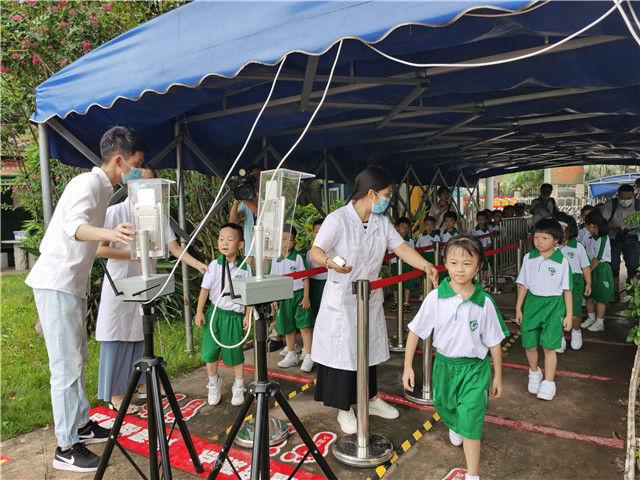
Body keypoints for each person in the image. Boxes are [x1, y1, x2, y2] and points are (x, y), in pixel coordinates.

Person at [25, 126, 145, 472]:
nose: (136, 171)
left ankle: (80, 424)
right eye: (135, 164)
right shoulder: (87, 184)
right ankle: (65, 447)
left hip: (71, 285)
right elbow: (73, 228)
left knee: (76, 358)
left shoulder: (105, 189)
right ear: (119, 160)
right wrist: (110, 233)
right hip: (57, 283)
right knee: (64, 366)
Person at [309, 165, 438, 434]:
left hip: (370, 295)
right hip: (342, 298)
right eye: (387, 194)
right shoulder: (338, 219)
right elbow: (315, 251)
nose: (388, 198)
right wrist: (330, 262)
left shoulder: (380, 222)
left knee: (368, 349)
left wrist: (425, 265)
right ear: (371, 193)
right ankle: (345, 408)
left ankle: (371, 398)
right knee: (344, 354)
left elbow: (401, 247)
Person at [95, 167, 207, 413]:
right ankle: (115, 395)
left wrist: (199, 265)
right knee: (117, 336)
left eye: (153, 182)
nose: (149, 187)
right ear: (131, 184)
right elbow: (100, 250)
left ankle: (141, 385)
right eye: (144, 182)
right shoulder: (116, 212)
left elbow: (174, 248)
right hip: (121, 281)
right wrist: (135, 254)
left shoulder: (159, 213)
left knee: (139, 334)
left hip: (146, 282)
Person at [403, 235, 506, 480]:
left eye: (467, 263)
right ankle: (455, 424)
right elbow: (416, 331)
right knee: (445, 407)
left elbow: (494, 343)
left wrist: (498, 377)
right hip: (445, 367)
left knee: (471, 421)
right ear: (445, 264)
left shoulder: (485, 303)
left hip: (474, 370)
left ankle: (472, 474)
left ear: (479, 266)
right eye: (454, 262)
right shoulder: (436, 297)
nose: (460, 269)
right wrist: (407, 366)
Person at [195, 223, 252, 406]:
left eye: (230, 239)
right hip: (215, 313)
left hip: (234, 316)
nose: (224, 243)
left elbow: (249, 294)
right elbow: (205, 290)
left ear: (240, 244)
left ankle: (239, 385)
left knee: (235, 353)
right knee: (210, 351)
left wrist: (247, 315)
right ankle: (213, 382)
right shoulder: (214, 265)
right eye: (221, 239)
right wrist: (199, 312)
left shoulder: (245, 268)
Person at [515, 219, 572, 401]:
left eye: (544, 237)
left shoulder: (562, 261)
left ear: (556, 240)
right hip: (532, 303)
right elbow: (523, 284)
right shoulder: (528, 258)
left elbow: (567, 290)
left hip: (553, 306)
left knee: (549, 346)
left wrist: (569, 315)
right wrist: (518, 307)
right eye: (536, 237)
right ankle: (534, 372)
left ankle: (548, 382)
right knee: (529, 343)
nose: (539, 241)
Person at [270, 225, 314, 372]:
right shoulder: (275, 260)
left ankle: (308, 354)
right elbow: (274, 280)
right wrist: (274, 298)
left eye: (290, 240)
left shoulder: (299, 258)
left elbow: (306, 279)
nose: (286, 243)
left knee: (304, 325)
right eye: (283, 239)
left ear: (294, 241)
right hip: (283, 296)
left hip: (299, 295)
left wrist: (306, 297)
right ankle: (291, 353)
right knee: (288, 326)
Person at [555, 213, 591, 352]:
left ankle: (576, 332)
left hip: (575, 281)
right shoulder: (553, 246)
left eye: (562, 229)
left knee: (575, 312)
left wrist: (588, 283)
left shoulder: (578, 247)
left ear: (570, 230)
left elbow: (585, 267)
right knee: (558, 312)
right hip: (556, 282)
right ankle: (561, 337)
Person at [599, 184, 640, 292]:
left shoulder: (638, 205)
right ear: (618, 196)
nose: (626, 201)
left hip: (632, 238)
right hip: (614, 238)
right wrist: (616, 227)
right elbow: (602, 223)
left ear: (633, 196)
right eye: (623, 198)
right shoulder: (610, 204)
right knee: (613, 266)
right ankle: (614, 292)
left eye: (629, 198)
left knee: (633, 266)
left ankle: (631, 292)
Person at [581, 211, 615, 333]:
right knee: (588, 295)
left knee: (601, 297)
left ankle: (600, 322)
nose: (586, 227)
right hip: (590, 267)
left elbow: (596, 259)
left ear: (594, 225)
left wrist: (586, 273)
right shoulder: (590, 237)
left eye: (587, 225)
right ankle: (591, 318)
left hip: (600, 268)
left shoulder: (603, 238)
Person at [389, 217, 417, 312]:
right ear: (396, 228)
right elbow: (389, 252)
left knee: (408, 283)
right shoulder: (392, 239)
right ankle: (396, 301)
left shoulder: (410, 241)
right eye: (402, 227)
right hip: (395, 264)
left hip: (407, 264)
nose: (404, 229)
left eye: (406, 227)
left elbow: (413, 252)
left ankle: (406, 302)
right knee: (395, 283)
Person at [307, 218, 327, 323]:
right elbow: (307, 274)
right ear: (313, 233)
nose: (319, 234)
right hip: (314, 284)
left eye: (322, 231)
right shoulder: (309, 253)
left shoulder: (332, 250)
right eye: (316, 231)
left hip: (328, 282)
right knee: (316, 307)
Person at [471, 211, 493, 284]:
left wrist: (485, 249)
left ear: (486, 220)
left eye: (483, 219)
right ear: (477, 219)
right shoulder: (473, 231)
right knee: (475, 266)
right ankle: (476, 281)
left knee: (485, 266)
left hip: (485, 252)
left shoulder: (487, 231)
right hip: (476, 251)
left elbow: (489, 243)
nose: (481, 221)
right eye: (479, 219)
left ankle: (484, 281)